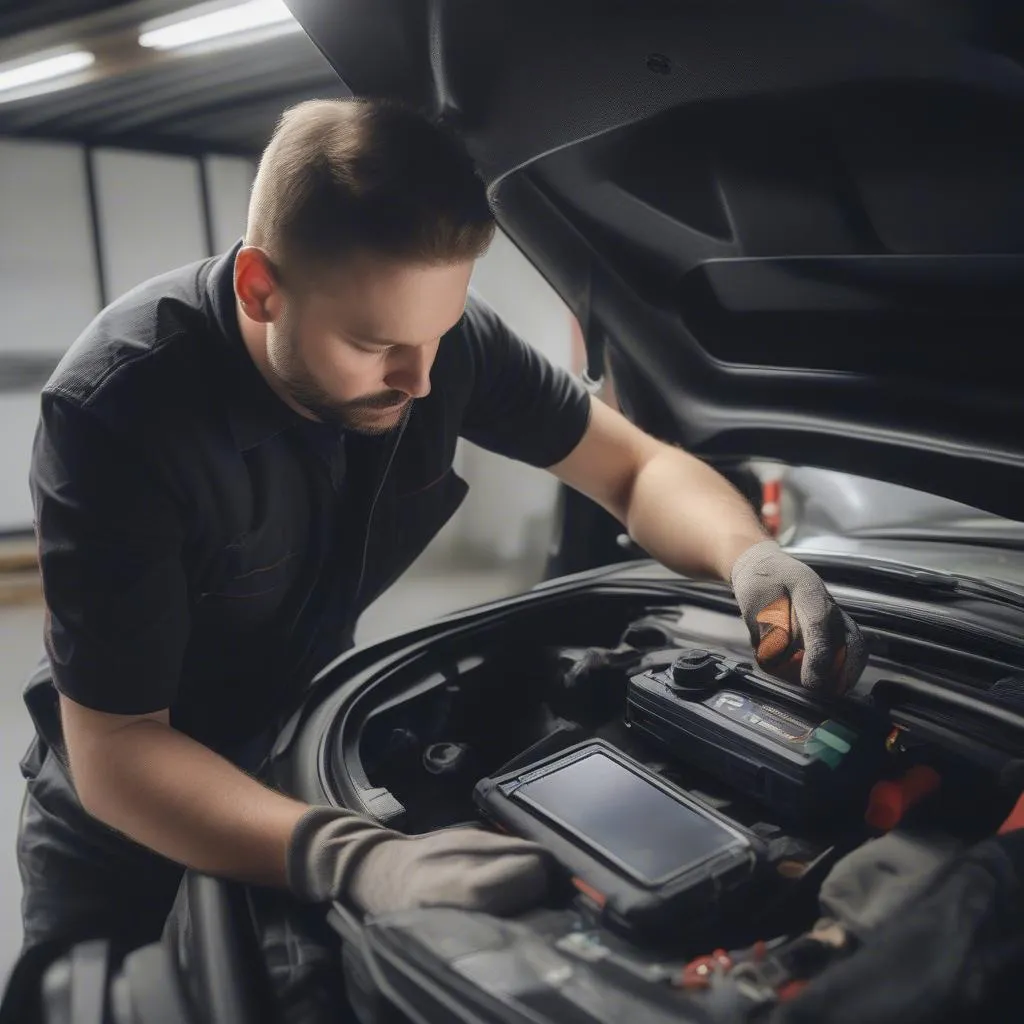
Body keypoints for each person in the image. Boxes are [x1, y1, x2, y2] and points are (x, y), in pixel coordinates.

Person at [16, 97, 866, 960]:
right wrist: (354, 859)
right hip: (122, 829)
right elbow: (118, 747)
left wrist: (748, 555)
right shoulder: (120, 408)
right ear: (260, 289)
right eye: (373, 343)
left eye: (441, 332)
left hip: (300, 755)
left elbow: (635, 469)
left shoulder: (435, 348)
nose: (420, 381)